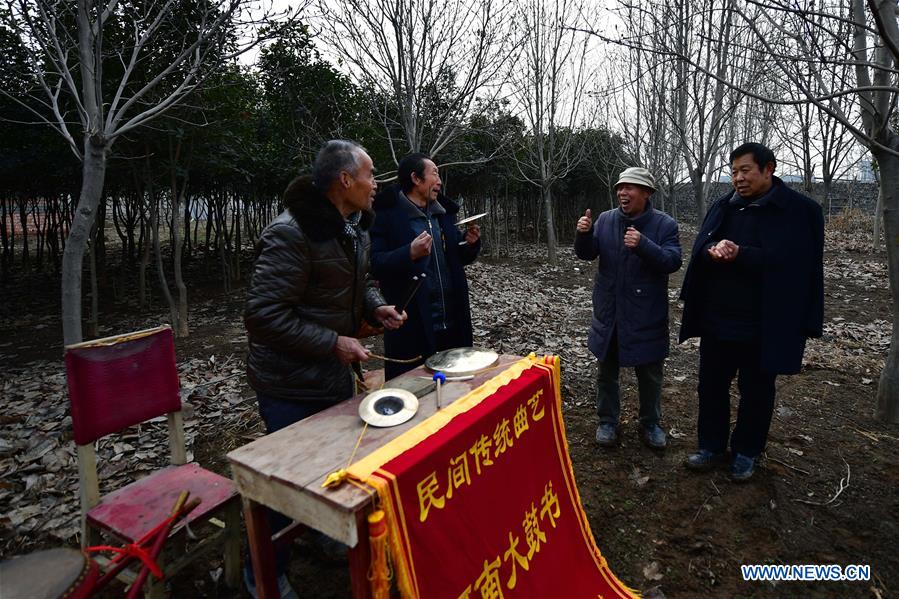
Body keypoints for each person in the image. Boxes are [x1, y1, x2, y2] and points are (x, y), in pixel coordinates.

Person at [243, 140, 406, 596]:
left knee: (334, 465)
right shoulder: (291, 234)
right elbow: (263, 315)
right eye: (370, 174)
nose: (376, 184)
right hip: (289, 382)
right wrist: (333, 341)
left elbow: (358, 283)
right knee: (284, 482)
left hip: (330, 374)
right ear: (345, 180)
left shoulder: (354, 227)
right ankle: (263, 573)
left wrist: (376, 308)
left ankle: (322, 532)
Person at [679, 142, 824, 482]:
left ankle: (746, 451)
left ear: (768, 168)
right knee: (711, 386)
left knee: (757, 390)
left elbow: (797, 266)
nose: (738, 179)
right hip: (718, 319)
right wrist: (712, 249)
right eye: (733, 172)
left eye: (745, 170)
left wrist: (741, 254)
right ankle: (711, 446)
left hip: (766, 322)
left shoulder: (799, 211)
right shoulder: (724, 206)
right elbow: (701, 247)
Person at [574, 167, 682, 449]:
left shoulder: (665, 225)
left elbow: (673, 261)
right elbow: (587, 253)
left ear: (646, 193)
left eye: (630, 187)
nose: (622, 192)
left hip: (646, 313)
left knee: (650, 374)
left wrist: (643, 244)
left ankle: (651, 423)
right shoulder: (606, 219)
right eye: (620, 187)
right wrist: (584, 234)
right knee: (606, 372)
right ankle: (607, 421)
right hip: (610, 311)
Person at [370, 153, 481, 380]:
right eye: (435, 174)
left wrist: (469, 244)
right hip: (414, 324)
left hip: (452, 321)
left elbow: (456, 258)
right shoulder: (386, 216)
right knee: (416, 388)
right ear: (416, 178)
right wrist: (409, 253)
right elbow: (375, 263)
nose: (439, 181)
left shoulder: (442, 214)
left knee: (455, 387)